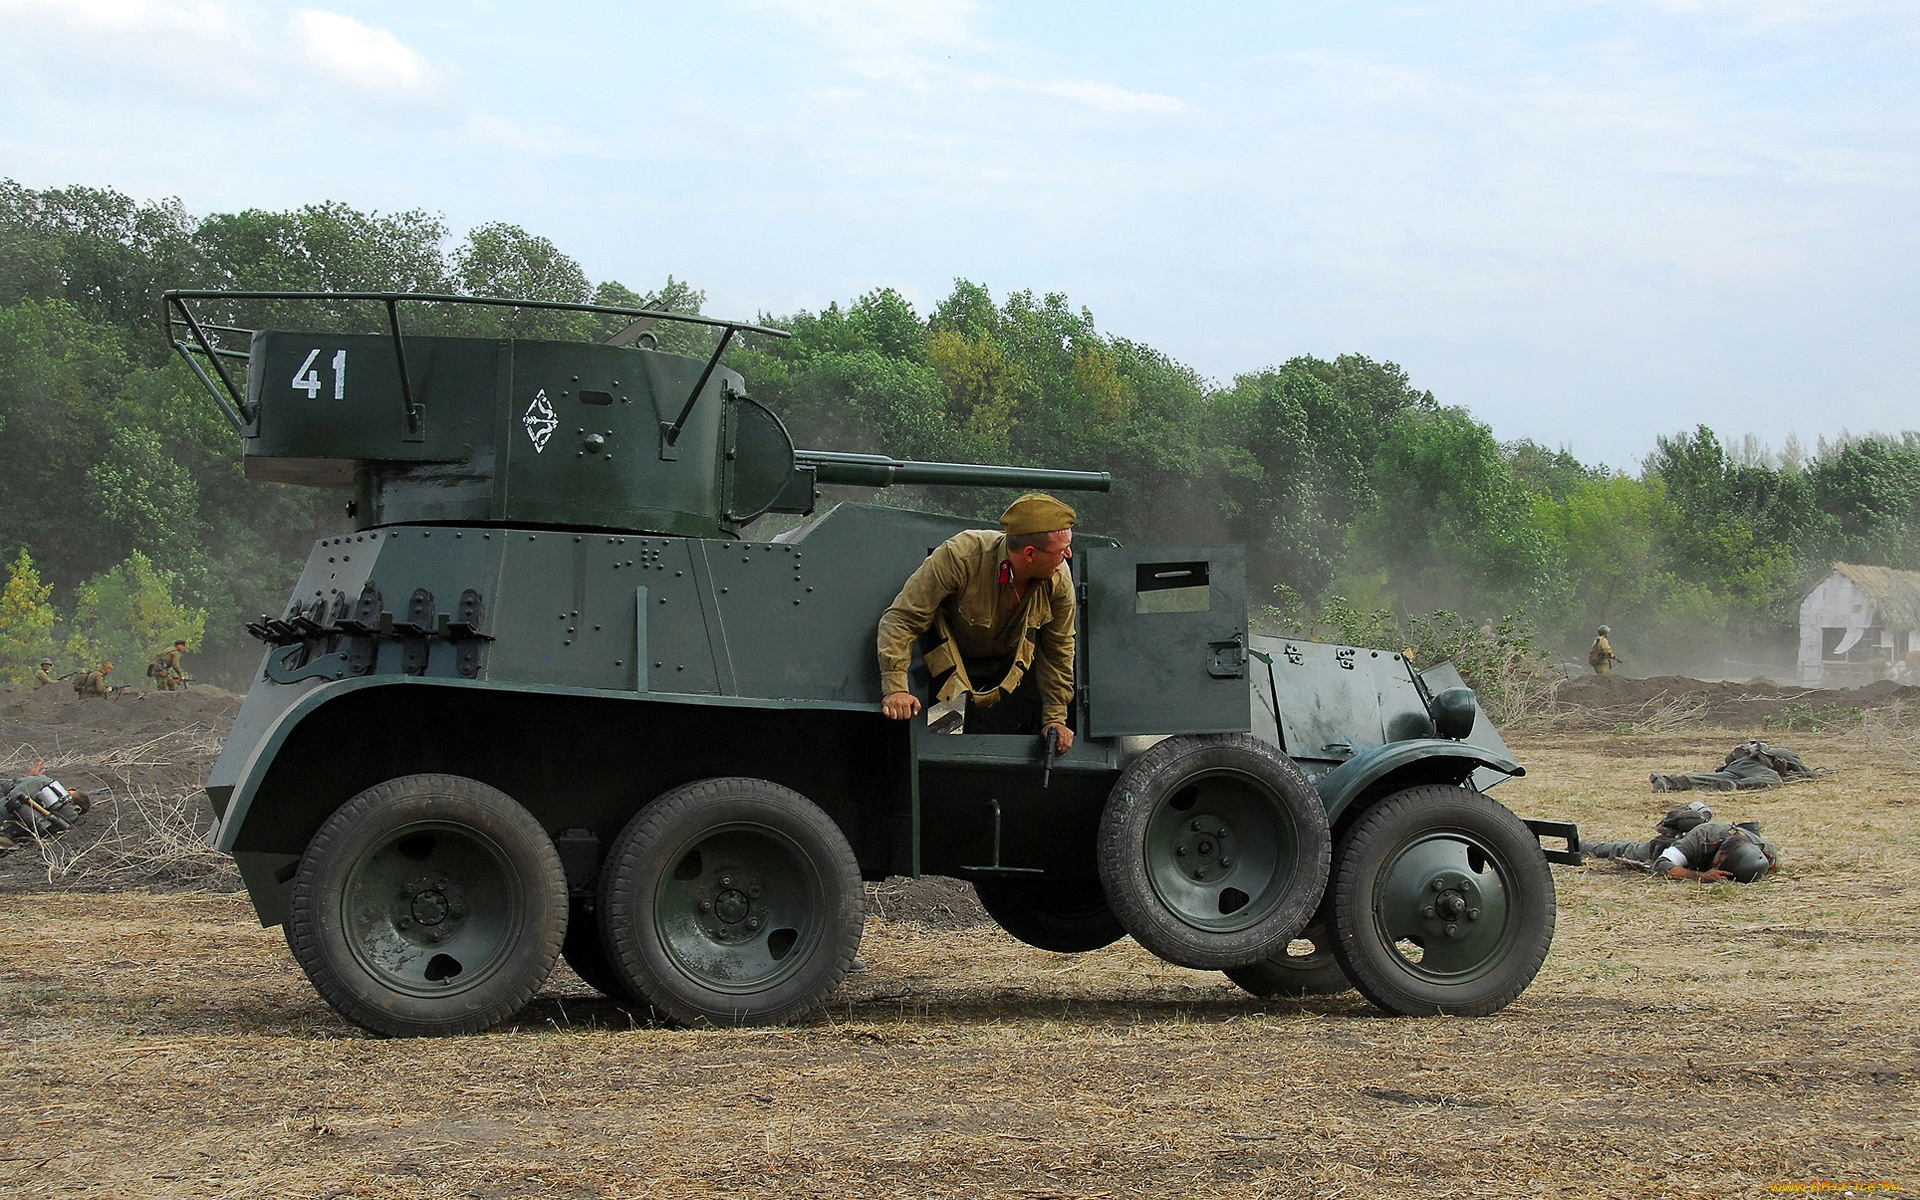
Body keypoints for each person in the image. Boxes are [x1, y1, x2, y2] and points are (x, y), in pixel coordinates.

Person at [876, 492, 1078, 753]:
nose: (1069, 555)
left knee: (1003, 754)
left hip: (1011, 678)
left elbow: (1058, 649)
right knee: (943, 753)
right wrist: (896, 688)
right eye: (1062, 550)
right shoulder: (960, 557)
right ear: (1029, 554)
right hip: (949, 677)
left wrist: (1055, 718)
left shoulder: (1058, 579)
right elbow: (903, 618)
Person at [1584, 801, 1779, 882]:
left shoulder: (1766, 853)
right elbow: (1662, 864)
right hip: (1678, 843)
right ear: (1721, 853)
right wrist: (1701, 876)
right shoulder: (1703, 836)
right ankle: (1581, 845)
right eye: (1720, 863)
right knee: (1630, 850)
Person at [1649, 741, 1820, 792]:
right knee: (1773, 779)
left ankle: (1668, 781)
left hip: (1736, 768)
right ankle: (1737, 786)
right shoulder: (1784, 752)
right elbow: (1808, 775)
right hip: (1754, 766)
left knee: (1707, 779)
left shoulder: (1745, 753)